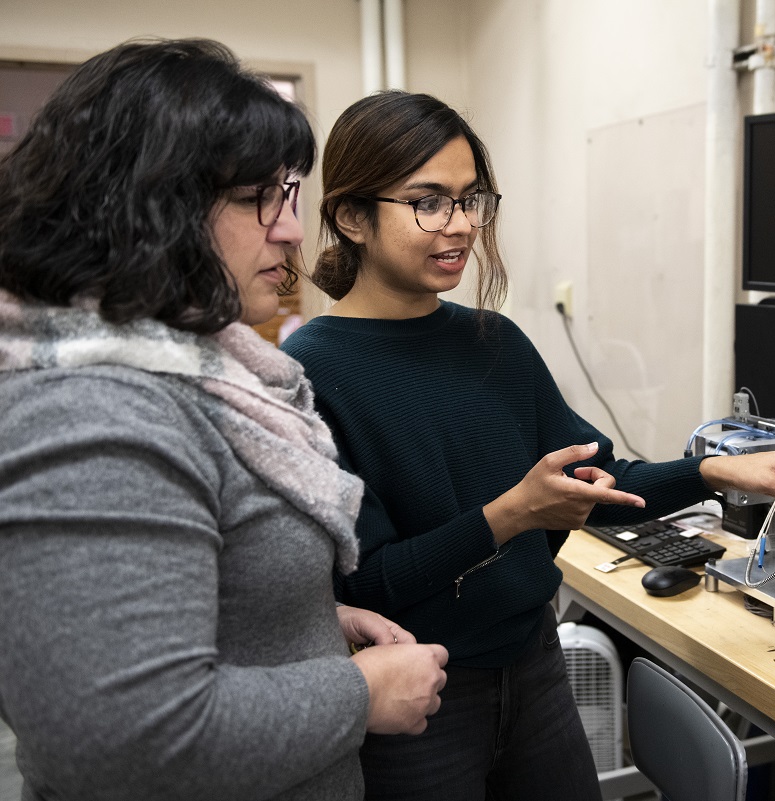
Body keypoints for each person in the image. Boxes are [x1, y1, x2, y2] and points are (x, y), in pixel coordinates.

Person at [281, 90, 775, 801]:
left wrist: (716, 470)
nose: (459, 225)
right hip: (418, 695)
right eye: (428, 201)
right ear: (350, 216)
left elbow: (598, 480)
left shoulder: (495, 345)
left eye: (471, 199)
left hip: (534, 670)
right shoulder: (313, 371)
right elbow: (366, 585)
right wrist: (511, 516)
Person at [0, 40, 449, 800]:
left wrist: (308, 619)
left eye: (290, 194)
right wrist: (358, 693)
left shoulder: (193, 372)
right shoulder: (94, 409)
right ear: (145, 206)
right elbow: (121, 741)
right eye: (257, 198)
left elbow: (184, 599)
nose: (292, 231)